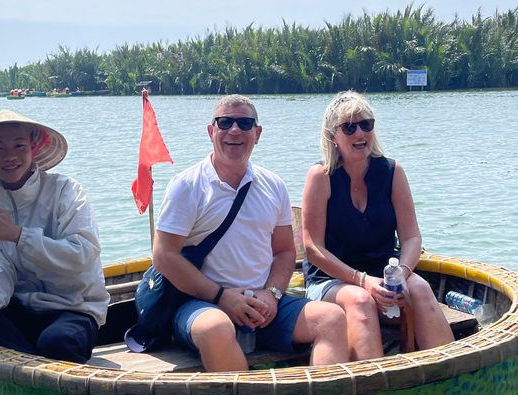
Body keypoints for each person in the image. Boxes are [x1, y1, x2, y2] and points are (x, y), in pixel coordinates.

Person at [151, 94, 352, 372]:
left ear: (257, 134)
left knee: (331, 318)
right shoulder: (186, 186)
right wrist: (222, 297)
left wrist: (271, 294)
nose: (235, 130)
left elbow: (283, 252)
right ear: (211, 132)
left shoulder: (274, 185)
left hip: (263, 304)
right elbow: (164, 257)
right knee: (216, 327)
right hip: (201, 304)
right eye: (225, 122)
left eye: (244, 124)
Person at [0, 109, 109, 363]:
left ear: (33, 148)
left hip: (72, 308)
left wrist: (19, 235)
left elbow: (81, 256)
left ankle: (26, 355)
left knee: (57, 343)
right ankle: (33, 357)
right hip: (17, 308)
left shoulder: (65, 190)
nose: (10, 156)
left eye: (19, 145)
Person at [301, 91, 453, 355]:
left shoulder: (393, 172)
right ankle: (371, 388)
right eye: (349, 127)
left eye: (366, 125)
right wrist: (362, 281)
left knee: (420, 289)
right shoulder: (321, 176)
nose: (360, 134)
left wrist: (403, 274)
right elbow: (313, 249)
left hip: (385, 273)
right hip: (331, 280)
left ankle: (451, 376)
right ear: (333, 136)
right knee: (360, 301)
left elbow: (411, 238)